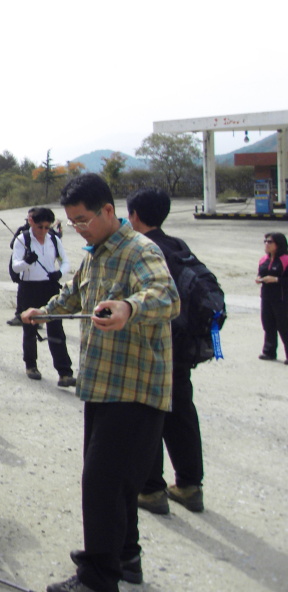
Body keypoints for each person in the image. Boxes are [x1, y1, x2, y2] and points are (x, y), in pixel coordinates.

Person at [24, 174, 178, 592]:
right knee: (119, 484)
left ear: (109, 211)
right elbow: (73, 296)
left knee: (101, 484)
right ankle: (126, 559)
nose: (78, 228)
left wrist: (129, 306)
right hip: (101, 386)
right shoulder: (95, 255)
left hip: (134, 388)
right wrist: (43, 311)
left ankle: (97, 578)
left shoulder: (140, 250)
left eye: (84, 220)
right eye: (72, 222)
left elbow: (166, 295)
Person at [126, 188, 207, 515]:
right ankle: (189, 485)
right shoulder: (179, 246)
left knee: (147, 416)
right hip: (184, 345)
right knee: (182, 413)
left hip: (154, 347)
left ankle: (151, 490)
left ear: (134, 216)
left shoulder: (143, 250)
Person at [11, 206, 75, 386]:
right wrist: (26, 262)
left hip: (50, 287)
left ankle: (64, 372)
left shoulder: (53, 239)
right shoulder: (22, 240)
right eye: (41, 227)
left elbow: (65, 261)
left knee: (56, 328)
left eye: (47, 227)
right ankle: (31, 365)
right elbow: (15, 266)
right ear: (32, 223)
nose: (44, 231)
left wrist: (59, 273)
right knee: (30, 329)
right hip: (29, 288)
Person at [256, 231, 288, 362]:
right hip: (266, 297)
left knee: (284, 326)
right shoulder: (264, 259)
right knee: (268, 324)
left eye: (270, 242)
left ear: (278, 244)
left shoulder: (285, 259)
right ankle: (269, 351)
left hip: (281, 298)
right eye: (265, 242)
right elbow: (261, 272)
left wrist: (276, 279)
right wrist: (259, 278)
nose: (266, 244)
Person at [7, 207, 37, 326]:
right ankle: (19, 315)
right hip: (23, 265)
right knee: (22, 292)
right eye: (28, 219)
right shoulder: (23, 231)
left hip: (38, 269)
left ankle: (36, 318)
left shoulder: (44, 231)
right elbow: (12, 245)